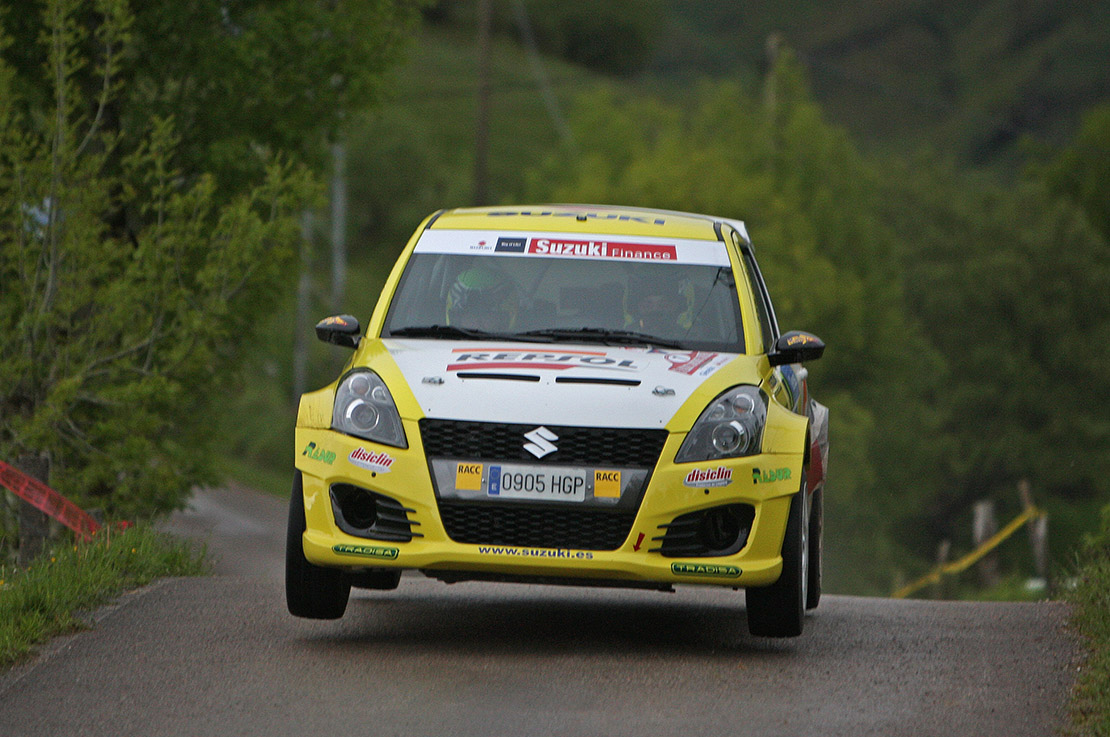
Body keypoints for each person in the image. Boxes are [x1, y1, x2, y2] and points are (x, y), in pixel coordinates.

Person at [446, 266, 517, 331]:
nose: (476, 324)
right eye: (471, 315)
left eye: (486, 314)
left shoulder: (522, 344)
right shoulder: (440, 342)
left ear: (503, 318)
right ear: (456, 317)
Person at [627, 271, 690, 336]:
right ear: (637, 308)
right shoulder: (623, 337)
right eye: (647, 306)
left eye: (664, 305)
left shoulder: (689, 338)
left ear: (675, 307)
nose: (655, 311)